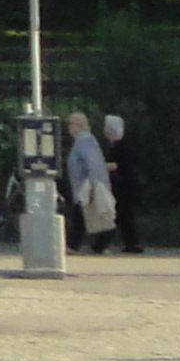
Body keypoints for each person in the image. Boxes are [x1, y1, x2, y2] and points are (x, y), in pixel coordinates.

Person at [65, 109, 116, 255]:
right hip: (83, 186)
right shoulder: (82, 140)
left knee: (84, 214)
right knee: (85, 214)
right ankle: (97, 245)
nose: (69, 127)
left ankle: (78, 245)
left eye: (71, 123)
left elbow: (92, 162)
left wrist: (94, 183)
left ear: (79, 125)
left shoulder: (84, 139)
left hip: (86, 186)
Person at [102, 110, 143, 252]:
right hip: (122, 184)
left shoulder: (119, 146)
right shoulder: (117, 144)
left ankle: (104, 243)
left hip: (121, 185)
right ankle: (131, 242)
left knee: (120, 214)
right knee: (123, 215)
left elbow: (120, 164)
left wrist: (106, 166)